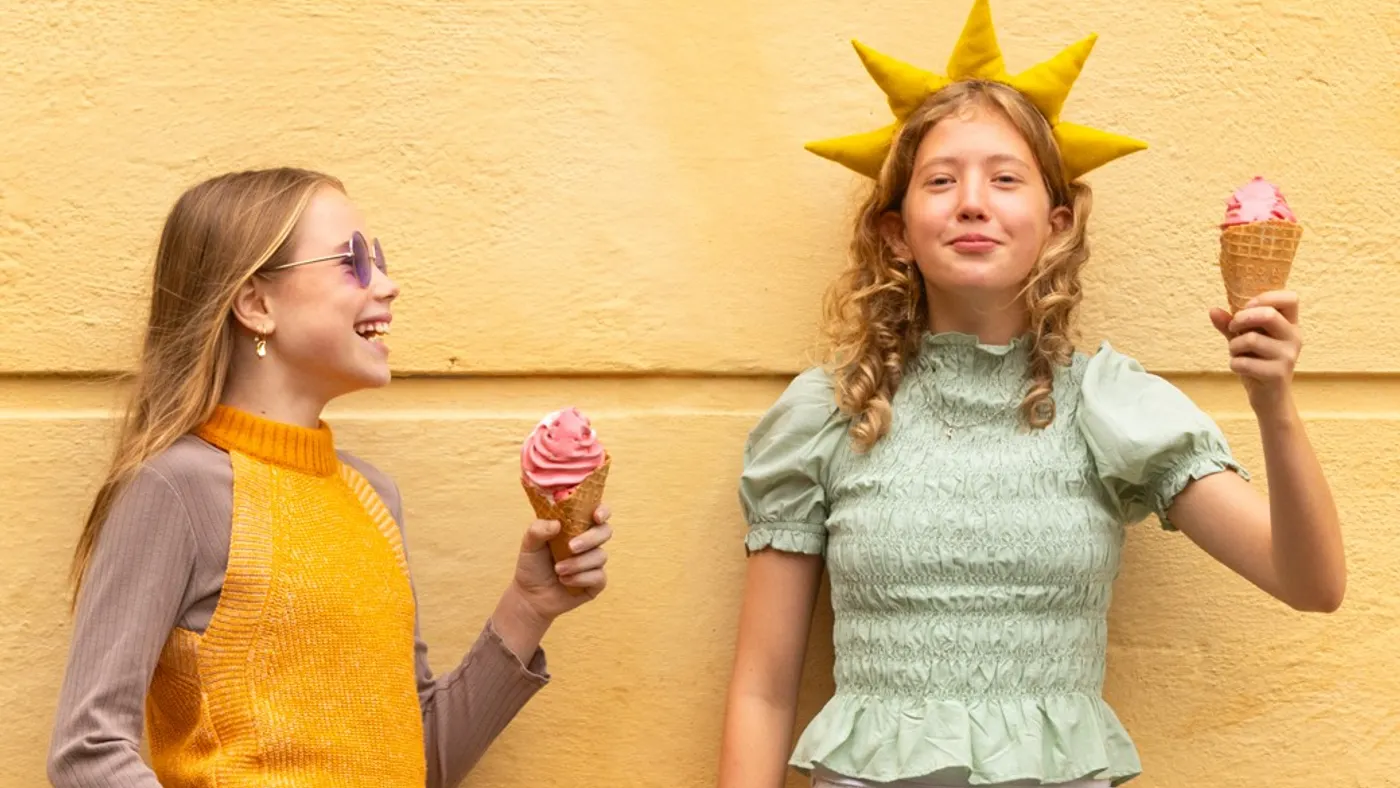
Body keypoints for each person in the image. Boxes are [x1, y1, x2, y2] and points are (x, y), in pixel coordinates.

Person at [718, 3, 1344, 786]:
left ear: (1055, 225)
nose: (972, 201)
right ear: (896, 232)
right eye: (940, 180)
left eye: (1005, 178)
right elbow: (763, 690)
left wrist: (1273, 402)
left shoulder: (1110, 407)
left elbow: (1310, 583)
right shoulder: (833, 413)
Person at [48, 167, 613, 787]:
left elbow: (419, 761)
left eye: (379, 260)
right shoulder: (176, 488)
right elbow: (88, 751)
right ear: (256, 304)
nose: (389, 285)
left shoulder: (373, 499)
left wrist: (529, 606)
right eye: (354, 262)